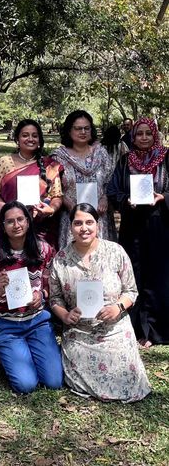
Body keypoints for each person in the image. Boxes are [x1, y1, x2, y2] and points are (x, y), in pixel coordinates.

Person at [49, 203, 151, 402]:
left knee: (129, 380)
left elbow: (131, 291)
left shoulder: (116, 252)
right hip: (79, 331)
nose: (84, 228)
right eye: (78, 223)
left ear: (98, 225)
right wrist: (65, 315)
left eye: (89, 222)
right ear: (70, 227)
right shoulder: (60, 259)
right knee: (78, 379)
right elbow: (55, 298)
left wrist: (118, 307)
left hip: (114, 328)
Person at [0, 201, 63, 394]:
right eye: (9, 221)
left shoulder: (44, 250)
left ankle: (28, 352)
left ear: (28, 221)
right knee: (26, 385)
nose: (16, 225)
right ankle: (8, 352)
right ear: (2, 226)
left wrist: (40, 295)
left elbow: (51, 290)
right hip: (6, 325)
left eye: (20, 219)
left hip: (37, 322)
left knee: (54, 381)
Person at [107, 117, 169, 347]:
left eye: (148, 133)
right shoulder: (125, 161)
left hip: (160, 224)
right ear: (133, 137)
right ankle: (136, 329)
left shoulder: (166, 157)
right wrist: (126, 200)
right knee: (134, 274)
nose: (143, 137)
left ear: (155, 135)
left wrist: (163, 197)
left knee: (159, 275)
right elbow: (113, 190)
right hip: (132, 226)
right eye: (139, 134)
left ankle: (158, 329)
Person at [0, 119, 63, 248]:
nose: (30, 139)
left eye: (34, 135)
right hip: (13, 226)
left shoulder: (49, 165)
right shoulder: (5, 162)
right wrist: (9, 210)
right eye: (25, 135)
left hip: (42, 228)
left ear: (39, 140)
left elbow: (57, 195)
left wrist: (51, 209)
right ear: (17, 139)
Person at [52, 110, 115, 249]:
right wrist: (69, 204)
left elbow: (110, 181)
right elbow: (54, 189)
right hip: (72, 217)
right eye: (78, 128)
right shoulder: (58, 157)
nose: (83, 132)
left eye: (87, 128)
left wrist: (105, 198)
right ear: (69, 131)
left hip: (99, 217)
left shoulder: (101, 153)